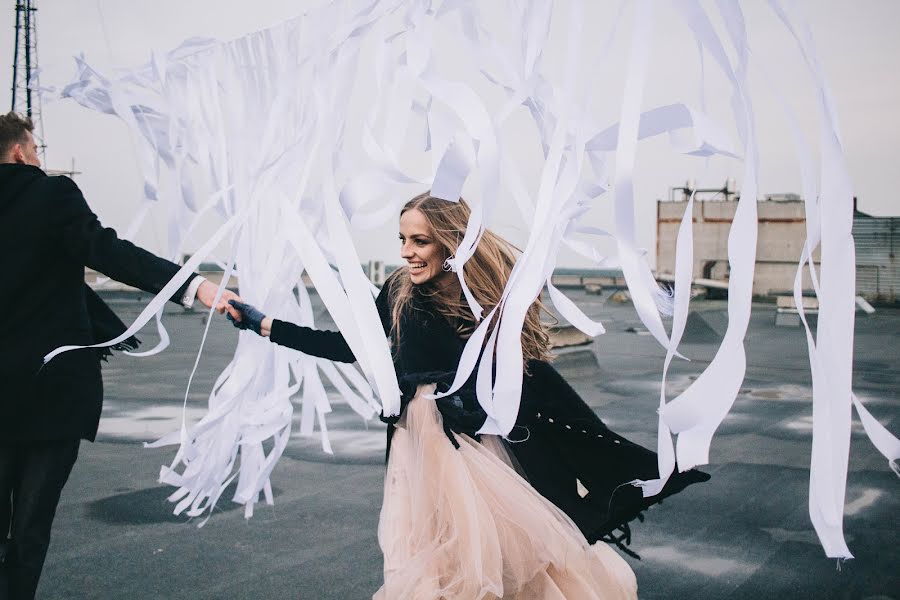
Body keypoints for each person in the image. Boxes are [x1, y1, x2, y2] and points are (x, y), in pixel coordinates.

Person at [229, 192, 709, 598]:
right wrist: (263, 324)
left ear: (450, 243)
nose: (407, 252)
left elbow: (526, 374)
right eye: (402, 239)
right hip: (417, 439)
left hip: (471, 440)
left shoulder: (478, 297)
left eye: (420, 241)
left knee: (497, 550)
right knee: (429, 547)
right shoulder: (396, 290)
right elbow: (347, 345)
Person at [0, 111, 241, 600]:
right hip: (49, 394)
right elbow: (108, 251)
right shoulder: (49, 194)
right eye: (37, 150)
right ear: (22, 152)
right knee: (30, 524)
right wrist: (193, 286)